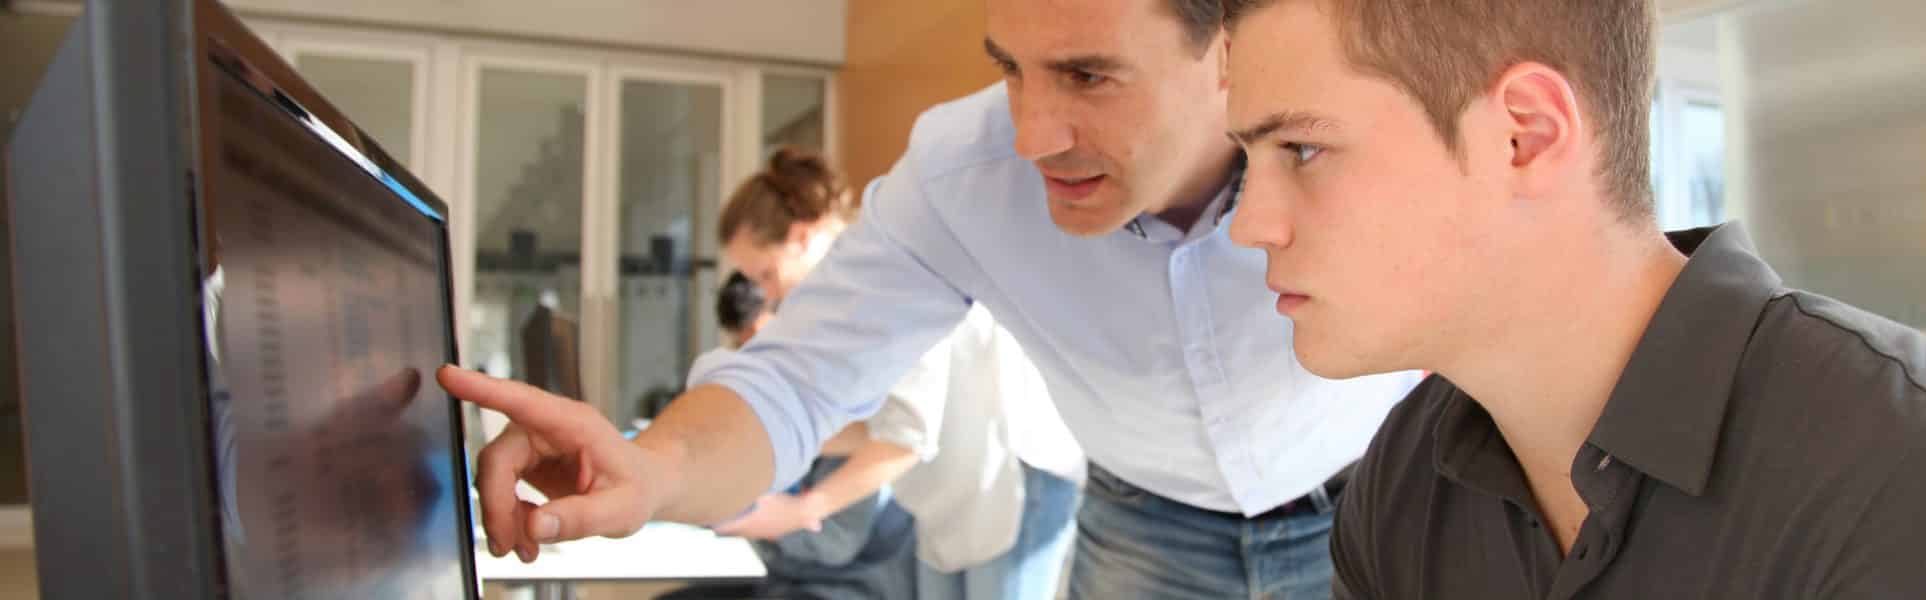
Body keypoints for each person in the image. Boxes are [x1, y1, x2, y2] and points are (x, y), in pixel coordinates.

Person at [435, 1, 1421, 597]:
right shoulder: (961, 171)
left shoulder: (1368, 128)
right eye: (1008, 69)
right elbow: (795, 378)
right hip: (1142, 523)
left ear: (1228, 53)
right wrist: (648, 473)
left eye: (1086, 74)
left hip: (1390, 502)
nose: (1031, 135)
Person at [1218, 0, 1926, 598]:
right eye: (1247, 164)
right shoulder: (1402, 482)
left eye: (1302, 149)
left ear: (1526, 136)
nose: (1248, 225)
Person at [706, 149, 1086, 599]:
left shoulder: (883, 270)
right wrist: (764, 445)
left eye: (766, 275)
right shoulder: (842, 297)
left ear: (802, 237)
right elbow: (876, 426)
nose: (766, 295)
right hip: (953, 487)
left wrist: (801, 509)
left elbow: (904, 437)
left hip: (1014, 475)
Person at [667, 271, 920, 600]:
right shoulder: (777, 414)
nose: (756, 360)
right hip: (786, 580)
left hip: (846, 587)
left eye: (760, 340)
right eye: (743, 346)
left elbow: (835, 544)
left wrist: (757, 518)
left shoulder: (850, 409)